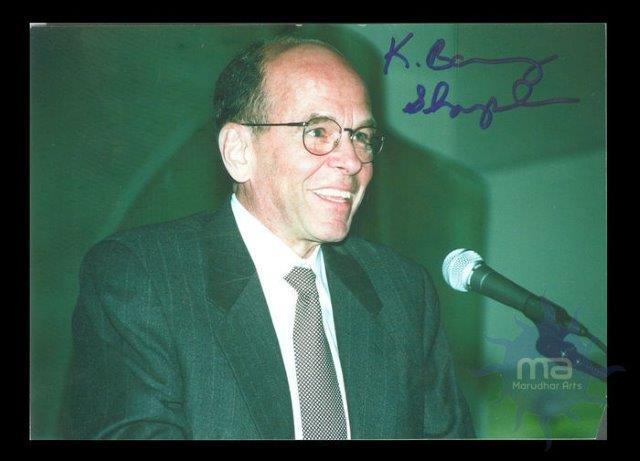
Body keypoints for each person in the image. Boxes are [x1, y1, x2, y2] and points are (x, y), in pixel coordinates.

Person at [66, 35, 475, 440]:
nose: (352, 161)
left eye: (361, 136)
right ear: (239, 151)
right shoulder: (144, 277)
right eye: (319, 132)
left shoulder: (402, 291)